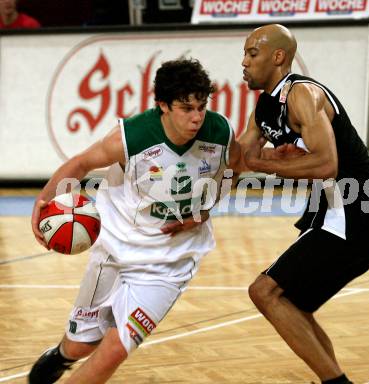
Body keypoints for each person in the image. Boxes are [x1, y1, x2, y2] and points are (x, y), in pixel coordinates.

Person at [28, 58, 242, 384]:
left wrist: (205, 210)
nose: (197, 117)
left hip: (170, 261)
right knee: (81, 344)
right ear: (163, 106)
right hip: (116, 244)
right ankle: (62, 354)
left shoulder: (219, 132)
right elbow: (81, 163)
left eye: (201, 106)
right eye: (186, 108)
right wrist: (41, 206)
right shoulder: (132, 136)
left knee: (114, 349)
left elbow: (235, 168)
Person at [239, 24, 369, 384]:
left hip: (360, 204)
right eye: (244, 55)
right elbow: (239, 158)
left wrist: (264, 161)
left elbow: (327, 164)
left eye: (252, 53)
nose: (244, 63)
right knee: (291, 305)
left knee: (265, 292)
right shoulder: (265, 107)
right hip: (334, 209)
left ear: (278, 57)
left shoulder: (302, 94)